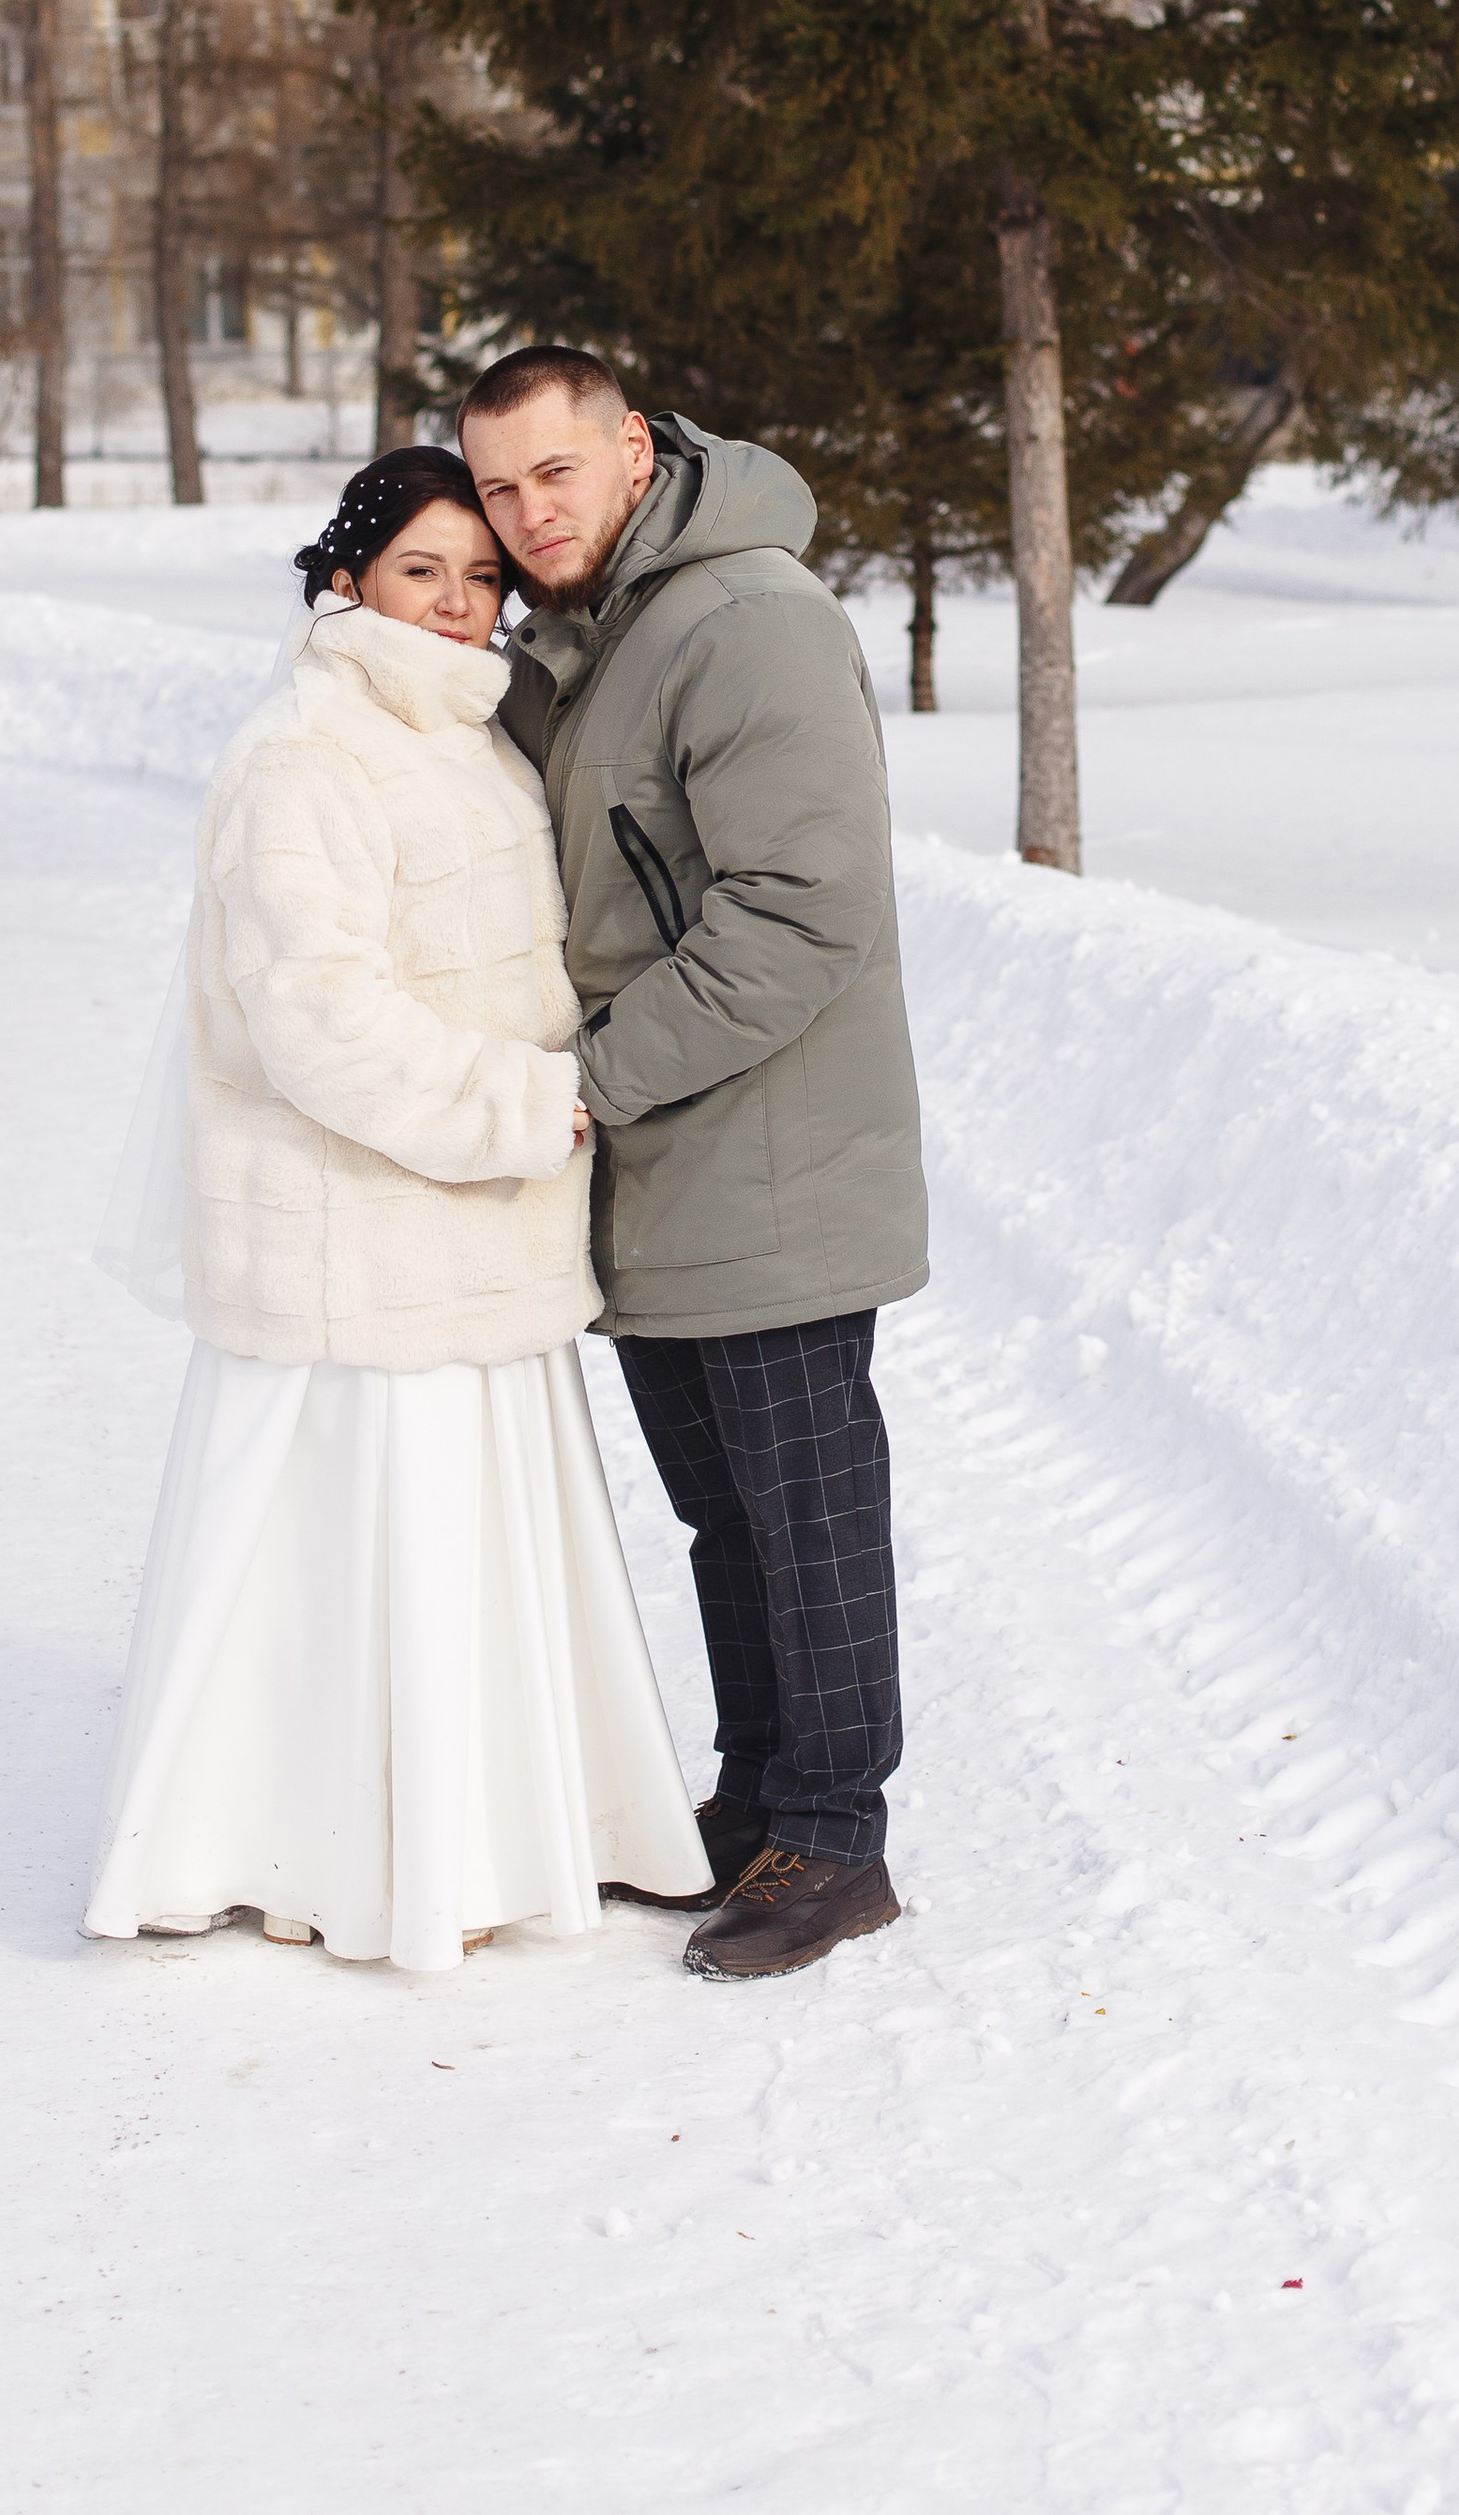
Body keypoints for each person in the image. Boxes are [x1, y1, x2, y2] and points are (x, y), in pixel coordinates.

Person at [83, 446, 711, 1971]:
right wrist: (529, 1108)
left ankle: (489, 1831)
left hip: (465, 1234)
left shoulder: (460, 730)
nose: (456, 601)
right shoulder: (310, 753)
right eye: (421, 569)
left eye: (481, 574)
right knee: (357, 1563)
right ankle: (327, 1850)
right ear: (349, 574)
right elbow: (319, 1023)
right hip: (359, 1243)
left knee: (465, 1556)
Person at [457, 350, 929, 1983]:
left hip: (770, 1164)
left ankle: (841, 1837)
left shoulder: (745, 622)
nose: (527, 518)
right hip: (668, 1171)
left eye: (554, 477)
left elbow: (802, 915)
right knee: (725, 1518)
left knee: (805, 1510)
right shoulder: (588, 643)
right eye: (500, 491)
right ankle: (759, 1802)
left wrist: (587, 1083)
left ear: (632, 450)